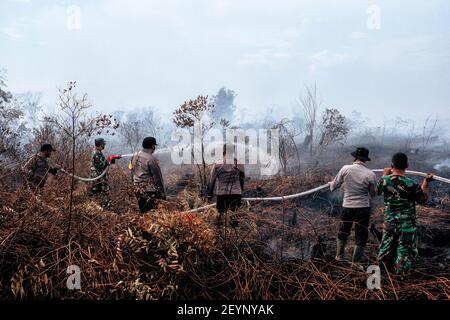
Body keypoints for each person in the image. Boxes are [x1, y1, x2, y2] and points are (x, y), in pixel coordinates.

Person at [377, 152, 433, 274]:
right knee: (404, 250)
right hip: (407, 224)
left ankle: (382, 272)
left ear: (392, 165)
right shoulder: (411, 184)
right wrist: (426, 182)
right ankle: (400, 276)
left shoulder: (384, 180)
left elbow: (377, 191)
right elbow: (422, 199)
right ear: (407, 165)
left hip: (390, 222)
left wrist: (385, 174)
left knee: (386, 247)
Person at [329, 147, 378, 263]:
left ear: (355, 157)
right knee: (361, 235)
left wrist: (331, 184)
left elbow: (334, 186)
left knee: (344, 230)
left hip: (348, 207)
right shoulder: (371, 174)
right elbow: (373, 194)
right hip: (363, 208)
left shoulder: (345, 169)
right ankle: (355, 262)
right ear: (366, 160)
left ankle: (339, 256)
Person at [206, 144, 245, 226]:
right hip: (236, 194)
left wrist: (209, 195)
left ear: (223, 152)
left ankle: (222, 237)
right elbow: (242, 180)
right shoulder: (239, 164)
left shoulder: (217, 164)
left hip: (222, 195)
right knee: (234, 219)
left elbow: (211, 181)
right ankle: (235, 237)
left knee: (221, 219)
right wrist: (241, 192)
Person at [131, 137, 166, 213]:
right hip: (149, 191)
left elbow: (132, 171)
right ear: (152, 146)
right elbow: (158, 178)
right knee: (151, 213)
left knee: (143, 212)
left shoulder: (135, 156)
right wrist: (162, 193)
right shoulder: (152, 159)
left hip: (137, 189)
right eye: (154, 146)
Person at [90, 138, 118, 208]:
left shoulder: (98, 152)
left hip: (99, 177)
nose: (104, 145)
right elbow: (101, 165)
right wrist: (109, 160)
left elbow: (102, 162)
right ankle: (103, 208)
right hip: (98, 177)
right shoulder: (96, 153)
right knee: (101, 192)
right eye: (103, 144)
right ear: (99, 144)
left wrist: (110, 159)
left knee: (101, 192)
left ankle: (101, 207)